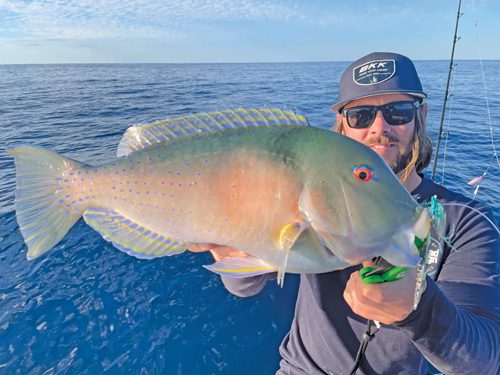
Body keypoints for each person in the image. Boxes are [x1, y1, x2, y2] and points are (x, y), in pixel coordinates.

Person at [189, 52, 500, 374]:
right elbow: (245, 286)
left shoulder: (465, 220)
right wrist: (228, 248)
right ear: (342, 126)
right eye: (361, 116)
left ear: (421, 115)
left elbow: (484, 361)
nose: (379, 128)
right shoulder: (306, 190)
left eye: (398, 112)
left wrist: (418, 311)